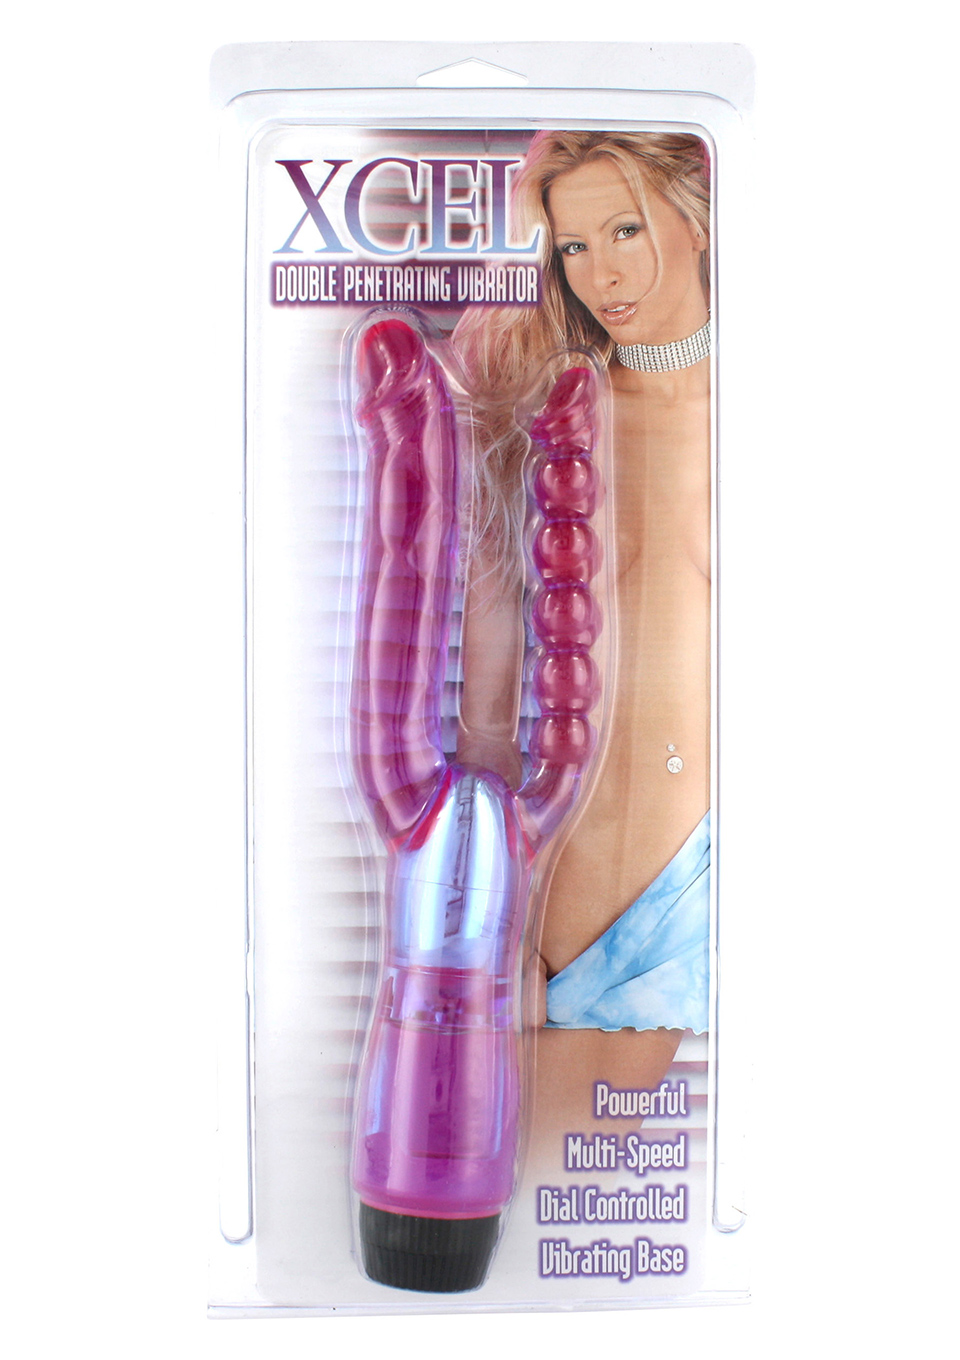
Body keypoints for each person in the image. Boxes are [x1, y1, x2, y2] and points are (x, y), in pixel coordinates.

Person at [453, 131, 712, 1144]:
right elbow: (492, 683)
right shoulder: (564, 417)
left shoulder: (776, 413)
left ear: (697, 221)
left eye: (624, 231)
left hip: (701, 876)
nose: (600, 274)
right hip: (574, 884)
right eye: (572, 246)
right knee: (538, 1194)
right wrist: (497, 908)